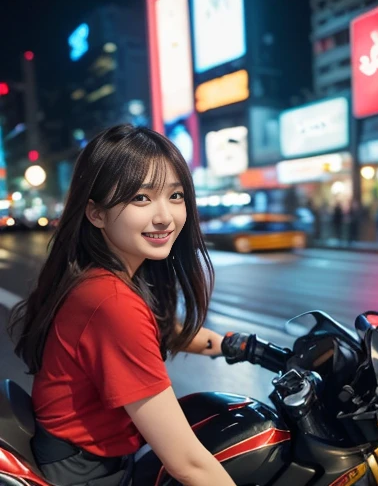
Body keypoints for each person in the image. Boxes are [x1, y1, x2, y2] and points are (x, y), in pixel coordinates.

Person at [8, 125, 236, 486]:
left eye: (175, 196)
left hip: (78, 453)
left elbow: (163, 329)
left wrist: (234, 344)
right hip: (87, 473)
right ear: (95, 214)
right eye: (141, 198)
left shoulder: (97, 277)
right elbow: (188, 463)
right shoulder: (110, 303)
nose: (165, 216)